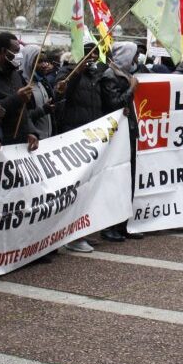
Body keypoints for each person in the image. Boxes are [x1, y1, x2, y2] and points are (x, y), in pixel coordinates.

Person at [99, 41, 142, 243]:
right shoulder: (110, 76)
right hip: (117, 136)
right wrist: (131, 89)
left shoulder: (124, 75)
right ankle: (109, 227)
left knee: (128, 180)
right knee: (116, 180)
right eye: (133, 57)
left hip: (128, 132)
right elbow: (114, 104)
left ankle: (123, 225)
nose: (136, 61)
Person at [54, 44, 105, 133]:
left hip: (94, 130)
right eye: (89, 52)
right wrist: (77, 72)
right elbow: (59, 95)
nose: (93, 55)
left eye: (96, 52)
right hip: (74, 130)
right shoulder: (67, 70)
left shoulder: (97, 74)